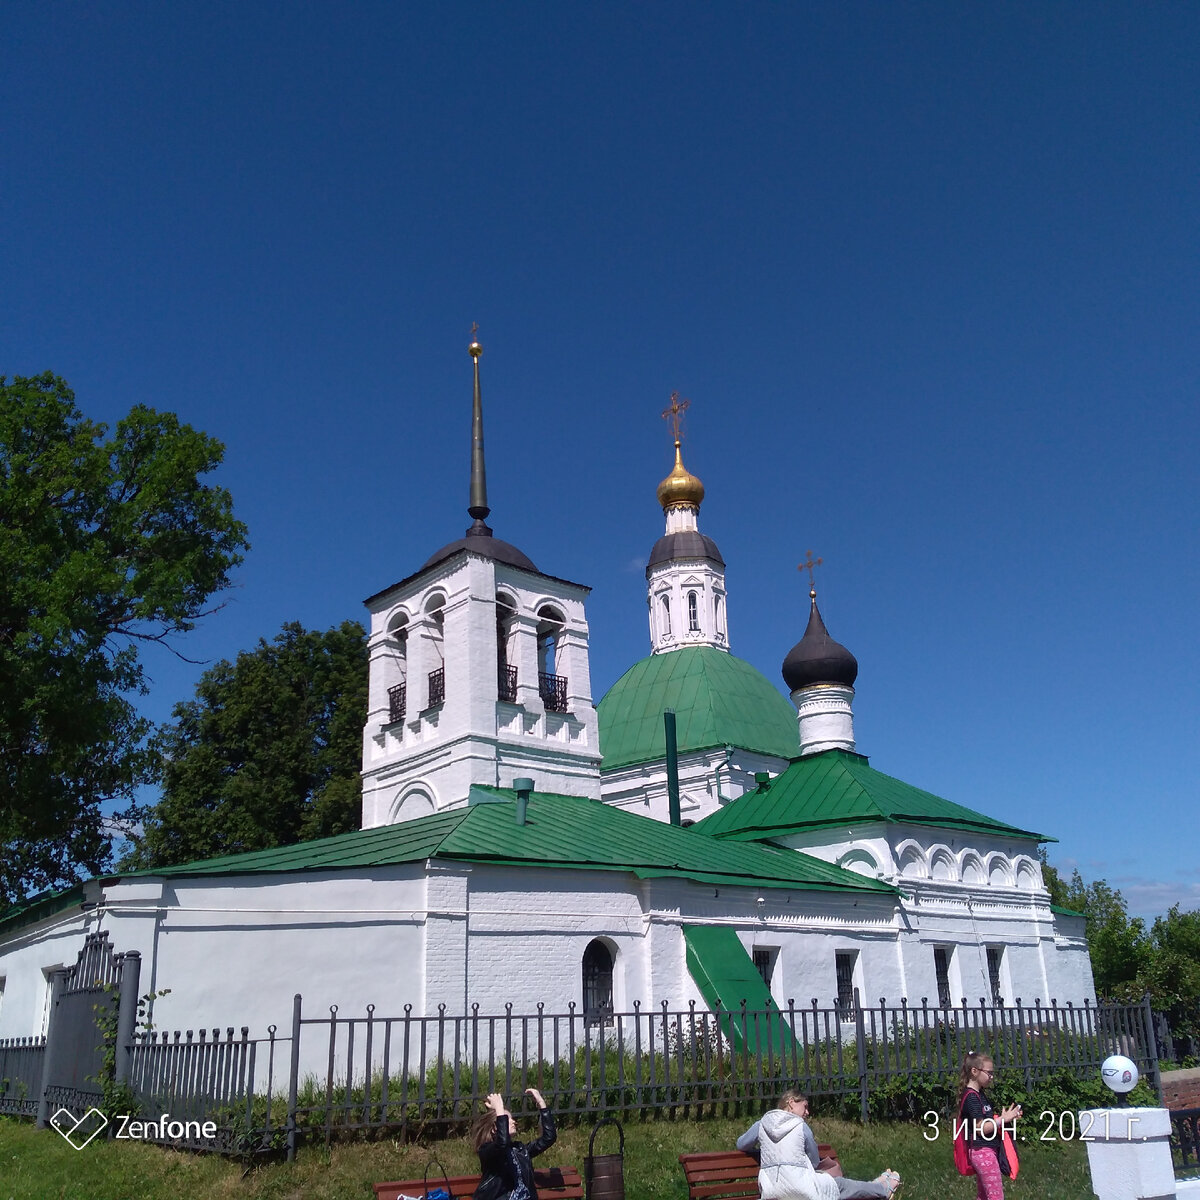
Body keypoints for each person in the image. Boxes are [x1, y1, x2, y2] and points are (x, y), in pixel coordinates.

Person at [748, 1089, 900, 1200]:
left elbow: (742, 1144)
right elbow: (814, 1162)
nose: (807, 1112)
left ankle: (875, 1186)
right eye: (805, 1107)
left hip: (771, 1190)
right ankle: (883, 1188)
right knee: (839, 1185)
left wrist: (768, 1151)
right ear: (791, 1103)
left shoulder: (762, 1124)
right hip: (800, 1188)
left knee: (837, 1185)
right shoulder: (800, 1125)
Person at [471, 1087, 555, 1200]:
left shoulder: (520, 1150)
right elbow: (502, 1144)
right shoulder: (487, 1151)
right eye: (507, 1119)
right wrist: (499, 1109)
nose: (513, 1121)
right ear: (494, 1128)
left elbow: (548, 1138)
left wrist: (541, 1104)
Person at [958, 1052, 1021, 1200]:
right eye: (989, 1073)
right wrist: (1002, 1120)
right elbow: (980, 1127)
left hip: (986, 1151)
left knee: (985, 1196)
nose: (992, 1077)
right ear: (974, 1071)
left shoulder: (979, 1094)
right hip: (983, 1152)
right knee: (995, 1197)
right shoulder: (972, 1097)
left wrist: (1005, 1118)